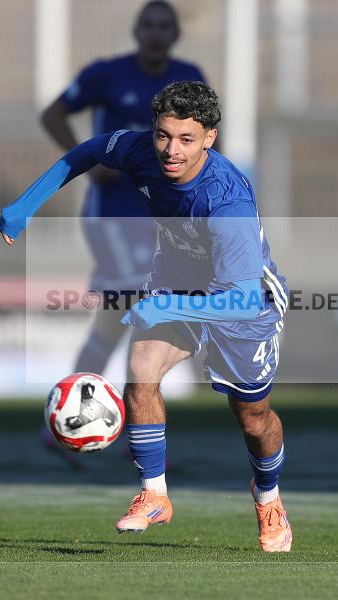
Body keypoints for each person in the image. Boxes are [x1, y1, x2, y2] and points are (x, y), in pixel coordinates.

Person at [0, 82, 292, 552]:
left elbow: (238, 299)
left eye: (186, 140)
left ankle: (268, 498)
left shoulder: (226, 202)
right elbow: (88, 151)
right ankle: (155, 494)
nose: (171, 151)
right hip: (177, 277)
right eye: (163, 136)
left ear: (210, 138)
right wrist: (26, 206)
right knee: (141, 368)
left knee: (254, 420)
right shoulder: (141, 150)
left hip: (243, 300)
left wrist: (166, 305)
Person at [41, 0, 208, 374]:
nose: (155, 33)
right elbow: (53, 114)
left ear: (176, 34)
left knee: (114, 319)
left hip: (166, 217)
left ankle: (73, 412)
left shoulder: (188, 77)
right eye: (148, 25)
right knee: (141, 301)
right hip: (114, 213)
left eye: (164, 26)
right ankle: (135, 410)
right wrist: (85, 160)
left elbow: (209, 140)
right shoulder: (107, 74)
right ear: (136, 32)